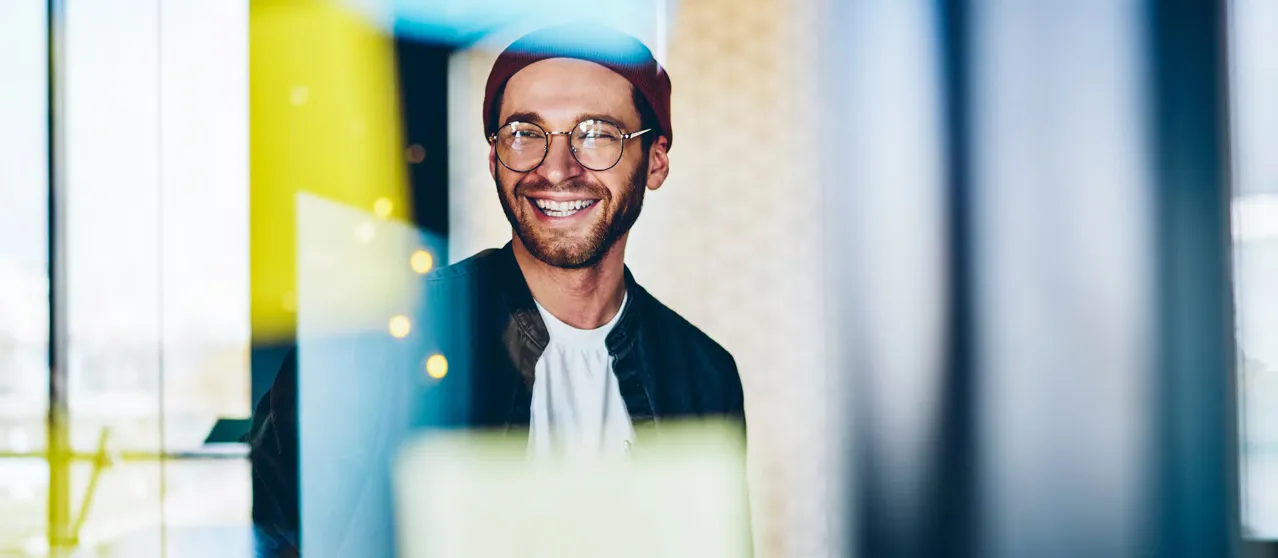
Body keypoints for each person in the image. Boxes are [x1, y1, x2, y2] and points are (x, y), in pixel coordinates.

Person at [249, 23, 747, 556]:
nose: (556, 170)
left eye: (597, 133)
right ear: (493, 159)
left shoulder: (702, 374)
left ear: (655, 161)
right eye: (524, 134)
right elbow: (266, 535)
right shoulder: (379, 345)